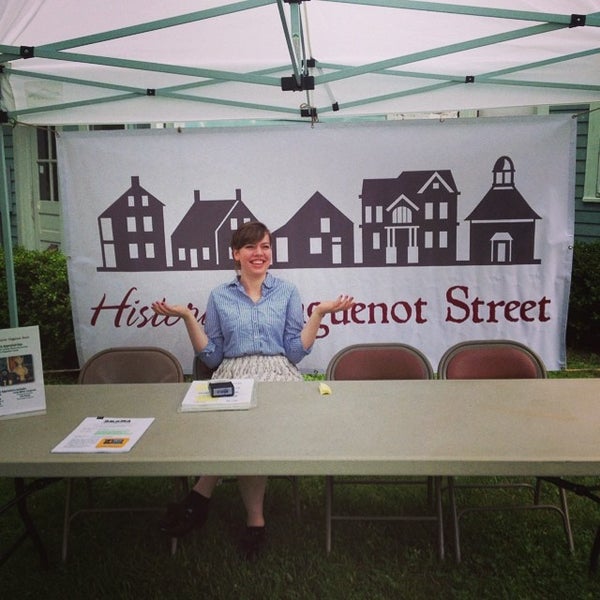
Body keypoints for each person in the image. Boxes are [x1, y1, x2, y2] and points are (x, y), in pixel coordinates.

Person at [151, 221, 354, 558]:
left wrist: (318, 313)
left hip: (277, 372)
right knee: (241, 431)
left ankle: (200, 497)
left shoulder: (288, 292)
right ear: (236, 254)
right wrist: (188, 317)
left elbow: (295, 351)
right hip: (233, 373)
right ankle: (254, 521)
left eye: (265, 247)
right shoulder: (219, 295)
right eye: (251, 247)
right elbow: (213, 355)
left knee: (250, 432)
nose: (259, 253)